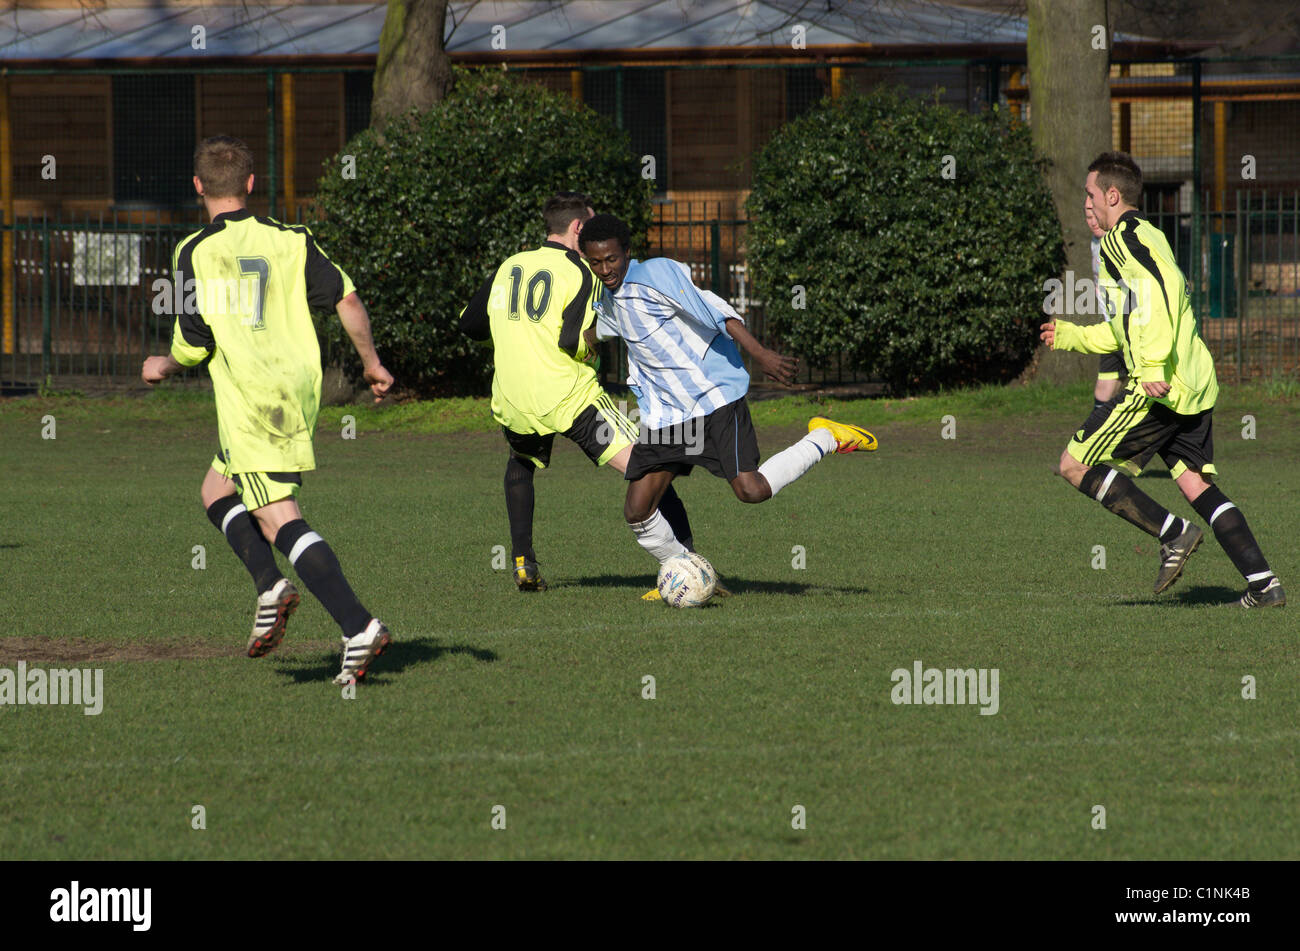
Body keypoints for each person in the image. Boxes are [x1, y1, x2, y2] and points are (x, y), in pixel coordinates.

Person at [142, 135, 398, 684]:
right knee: (216, 489)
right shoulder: (293, 238)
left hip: (254, 398)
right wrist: (372, 364)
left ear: (198, 188)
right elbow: (347, 300)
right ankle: (268, 583)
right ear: (251, 185)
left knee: (277, 515)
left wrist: (163, 365)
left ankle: (358, 626)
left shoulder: (193, 250)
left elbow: (193, 339)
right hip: (292, 392)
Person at [1040, 151, 1284, 608]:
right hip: (1193, 381)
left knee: (1073, 464)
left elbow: (1162, 290)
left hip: (1162, 386)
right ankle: (1264, 584)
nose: (1087, 204)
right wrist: (1071, 334)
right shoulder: (1147, 235)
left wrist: (1151, 368)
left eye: (1090, 195)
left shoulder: (1119, 239)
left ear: (1113, 196)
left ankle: (1174, 535)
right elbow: (1125, 325)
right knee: (1195, 483)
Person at [577, 213, 876, 584]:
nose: (605, 269)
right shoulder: (605, 298)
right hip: (667, 416)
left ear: (627, 252)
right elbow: (596, 332)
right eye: (595, 262)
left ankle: (825, 437)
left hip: (713, 400)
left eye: (612, 259)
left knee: (750, 491)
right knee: (637, 511)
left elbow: (716, 311)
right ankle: (688, 574)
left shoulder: (655, 275)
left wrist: (762, 354)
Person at [459, 193, 694, 592]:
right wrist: (595, 350)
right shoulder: (580, 270)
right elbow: (572, 341)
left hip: (514, 397)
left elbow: (470, 324)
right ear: (577, 229)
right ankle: (689, 565)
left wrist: (512, 340)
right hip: (573, 399)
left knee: (521, 462)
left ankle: (523, 562)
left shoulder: (510, 264)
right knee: (648, 468)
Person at [1087, 203, 1129, 409]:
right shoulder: (1095, 242)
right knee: (1104, 388)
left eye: (1095, 215)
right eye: (1088, 216)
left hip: (1133, 328)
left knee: (1152, 387)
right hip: (1112, 328)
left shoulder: (1122, 243)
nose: (1093, 221)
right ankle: (1099, 438)